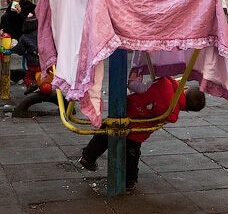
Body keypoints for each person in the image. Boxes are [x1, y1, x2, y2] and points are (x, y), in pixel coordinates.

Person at [78, 76, 206, 191]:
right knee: (132, 154)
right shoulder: (173, 113)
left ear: (185, 88)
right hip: (138, 132)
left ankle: (89, 157)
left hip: (126, 112)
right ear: (187, 109)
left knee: (105, 133)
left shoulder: (164, 83)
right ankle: (129, 180)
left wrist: (132, 81)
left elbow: (139, 87)